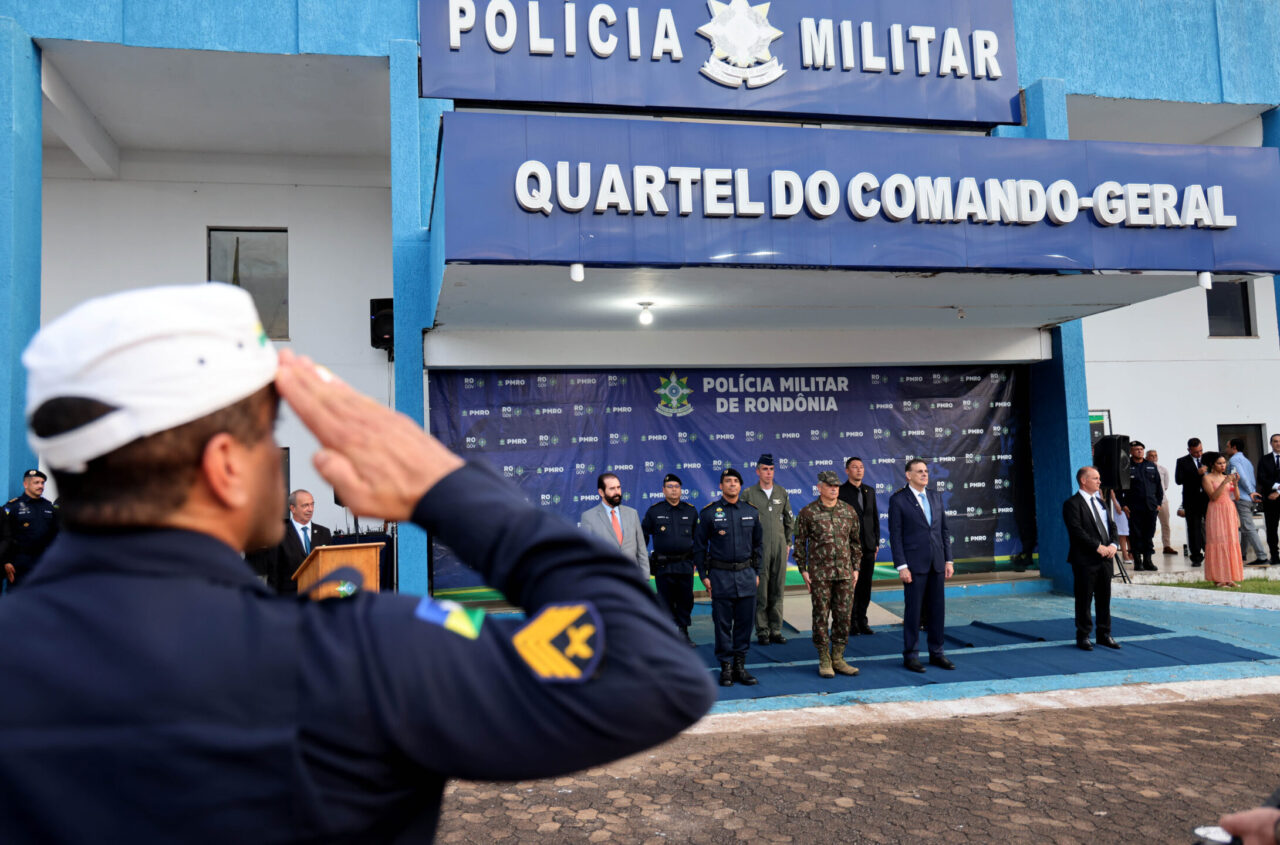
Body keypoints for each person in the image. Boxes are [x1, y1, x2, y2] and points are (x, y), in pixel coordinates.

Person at [0, 283, 715, 842]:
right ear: (225, 467)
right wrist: (448, 488)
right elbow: (648, 668)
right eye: (266, 438)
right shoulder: (360, 656)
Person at [694, 467, 762, 687]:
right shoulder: (709, 513)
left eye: (736, 481)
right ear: (720, 486)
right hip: (720, 576)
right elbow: (699, 547)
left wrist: (757, 572)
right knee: (722, 625)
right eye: (728, 481)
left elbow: (758, 546)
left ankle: (740, 666)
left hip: (746, 575)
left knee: (744, 624)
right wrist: (704, 576)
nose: (732, 484)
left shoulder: (751, 511)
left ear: (740, 486)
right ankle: (726, 667)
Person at [887, 459, 955, 673]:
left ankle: (937, 653)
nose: (924, 474)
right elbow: (895, 536)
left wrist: (949, 560)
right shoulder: (898, 500)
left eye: (926, 471)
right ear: (908, 475)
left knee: (937, 611)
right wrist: (902, 566)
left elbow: (943, 530)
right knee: (914, 613)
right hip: (914, 566)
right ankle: (911, 655)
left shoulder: (935, 496)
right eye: (919, 471)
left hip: (937, 563)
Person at [793, 470, 860, 678]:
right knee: (821, 616)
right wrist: (803, 570)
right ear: (819, 487)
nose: (834, 489)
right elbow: (799, 543)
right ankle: (824, 658)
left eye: (836, 486)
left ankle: (838, 657)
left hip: (845, 574)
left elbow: (855, 543)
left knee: (843, 616)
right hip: (820, 575)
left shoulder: (848, 511)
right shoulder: (808, 512)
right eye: (829, 485)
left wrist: (856, 568)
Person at [1063, 466, 1122, 651]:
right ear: (1083, 480)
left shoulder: (1101, 502)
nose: (1099, 482)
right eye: (1095, 478)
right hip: (1085, 560)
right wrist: (1098, 547)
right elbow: (1076, 531)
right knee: (1084, 599)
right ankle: (1083, 635)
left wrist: (1113, 545)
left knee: (1104, 598)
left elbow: (1111, 526)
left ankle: (1104, 634)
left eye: (1099, 478)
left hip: (1106, 559)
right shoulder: (1072, 504)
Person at [741, 453, 793, 646]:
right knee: (761, 592)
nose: (768, 473)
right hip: (759, 549)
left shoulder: (781, 492)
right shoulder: (749, 494)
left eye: (771, 469)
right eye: (765, 469)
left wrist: (787, 543)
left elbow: (789, 520)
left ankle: (776, 630)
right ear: (758, 471)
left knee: (777, 590)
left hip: (779, 548)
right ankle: (762, 631)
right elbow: (742, 523)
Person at [641, 473, 699, 646]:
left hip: (685, 564)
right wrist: (643, 559)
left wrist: (697, 561)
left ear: (681, 490)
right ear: (663, 490)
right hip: (663, 565)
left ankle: (683, 631)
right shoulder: (654, 511)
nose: (674, 490)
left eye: (677, 487)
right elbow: (642, 537)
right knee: (664, 600)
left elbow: (699, 539)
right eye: (670, 487)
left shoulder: (690, 511)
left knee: (685, 599)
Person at [838, 456, 881, 636]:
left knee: (865, 587)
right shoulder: (841, 491)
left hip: (869, 547)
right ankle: (851, 622)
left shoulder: (869, 491)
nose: (859, 470)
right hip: (849, 548)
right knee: (851, 587)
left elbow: (874, 518)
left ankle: (862, 621)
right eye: (855, 467)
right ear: (847, 471)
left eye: (861, 467)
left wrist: (876, 542)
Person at [580, 472, 649, 576]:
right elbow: (586, 554)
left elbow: (642, 550)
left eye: (618, 487)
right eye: (612, 489)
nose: (617, 492)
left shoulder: (632, 513)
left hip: (632, 577)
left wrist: (645, 577)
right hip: (606, 579)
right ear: (601, 492)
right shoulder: (588, 517)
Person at [2, 468, 60, 589]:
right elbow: (4, 536)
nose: (41, 486)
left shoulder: (49, 507)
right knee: (17, 597)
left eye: (42, 483)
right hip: (19, 562)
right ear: (25, 484)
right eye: (36, 483)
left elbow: (56, 535)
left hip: (43, 562)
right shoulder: (13, 507)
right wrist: (6, 561)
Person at [270, 489, 333, 594]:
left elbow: (331, 565)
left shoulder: (324, 533)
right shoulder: (279, 534)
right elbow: (274, 574)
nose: (310, 509)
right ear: (292, 508)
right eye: (305, 505)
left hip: (319, 596)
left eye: (312, 504)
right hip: (291, 598)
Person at [1202, 451, 1245, 588]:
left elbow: (1236, 497)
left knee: (1230, 541)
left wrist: (1235, 484)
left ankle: (1229, 577)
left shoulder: (1227, 477)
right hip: (1216, 511)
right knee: (1218, 541)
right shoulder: (1207, 478)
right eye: (1219, 463)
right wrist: (1224, 483)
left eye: (1224, 463)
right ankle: (1218, 578)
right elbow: (1213, 497)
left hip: (1229, 509)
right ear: (1212, 464)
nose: (1223, 466)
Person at [1119, 441, 1162, 571]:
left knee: (1148, 534)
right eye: (1136, 449)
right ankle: (1138, 561)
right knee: (1135, 535)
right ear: (1131, 451)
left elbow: (1158, 486)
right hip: (1134, 507)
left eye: (1141, 449)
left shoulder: (1151, 465)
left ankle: (1148, 561)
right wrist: (1123, 505)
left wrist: (1158, 503)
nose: (1139, 451)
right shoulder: (1126, 466)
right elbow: (1119, 488)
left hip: (1150, 506)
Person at [1227, 438, 1270, 566]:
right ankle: (1242, 553)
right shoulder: (1246, 460)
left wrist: (1250, 492)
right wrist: (1252, 493)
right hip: (1250, 498)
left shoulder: (1234, 460)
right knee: (1245, 527)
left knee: (1248, 528)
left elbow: (1242, 477)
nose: (1226, 449)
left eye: (1228, 446)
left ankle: (1262, 556)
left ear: (1234, 447)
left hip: (1243, 497)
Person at [1176, 437, 1210, 567]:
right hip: (1192, 500)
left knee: (1210, 527)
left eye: (1201, 451)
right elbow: (1179, 480)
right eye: (1196, 452)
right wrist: (1196, 473)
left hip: (1207, 498)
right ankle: (1196, 557)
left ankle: (1211, 553)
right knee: (1194, 529)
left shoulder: (1207, 459)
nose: (1199, 454)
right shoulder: (1182, 461)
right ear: (1189, 450)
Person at [1146, 449, 1178, 555]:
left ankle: (1167, 546)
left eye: (1155, 455)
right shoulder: (1144, 468)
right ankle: (1148, 546)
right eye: (1151, 455)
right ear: (1147, 457)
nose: (1154, 457)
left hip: (1162, 501)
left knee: (1165, 524)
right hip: (1149, 502)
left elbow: (1166, 486)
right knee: (1149, 524)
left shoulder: (1163, 470)